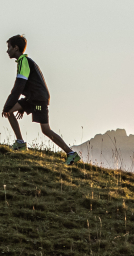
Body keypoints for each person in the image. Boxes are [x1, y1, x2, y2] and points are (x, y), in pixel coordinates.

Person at [4, 35, 79, 163]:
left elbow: (19, 86)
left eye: (9, 47)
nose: (7, 51)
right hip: (34, 98)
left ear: (16, 48)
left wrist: (9, 103)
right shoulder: (25, 62)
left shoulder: (24, 61)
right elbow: (26, 85)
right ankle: (20, 142)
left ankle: (71, 154)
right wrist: (20, 106)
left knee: (45, 129)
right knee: (10, 111)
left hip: (37, 101)